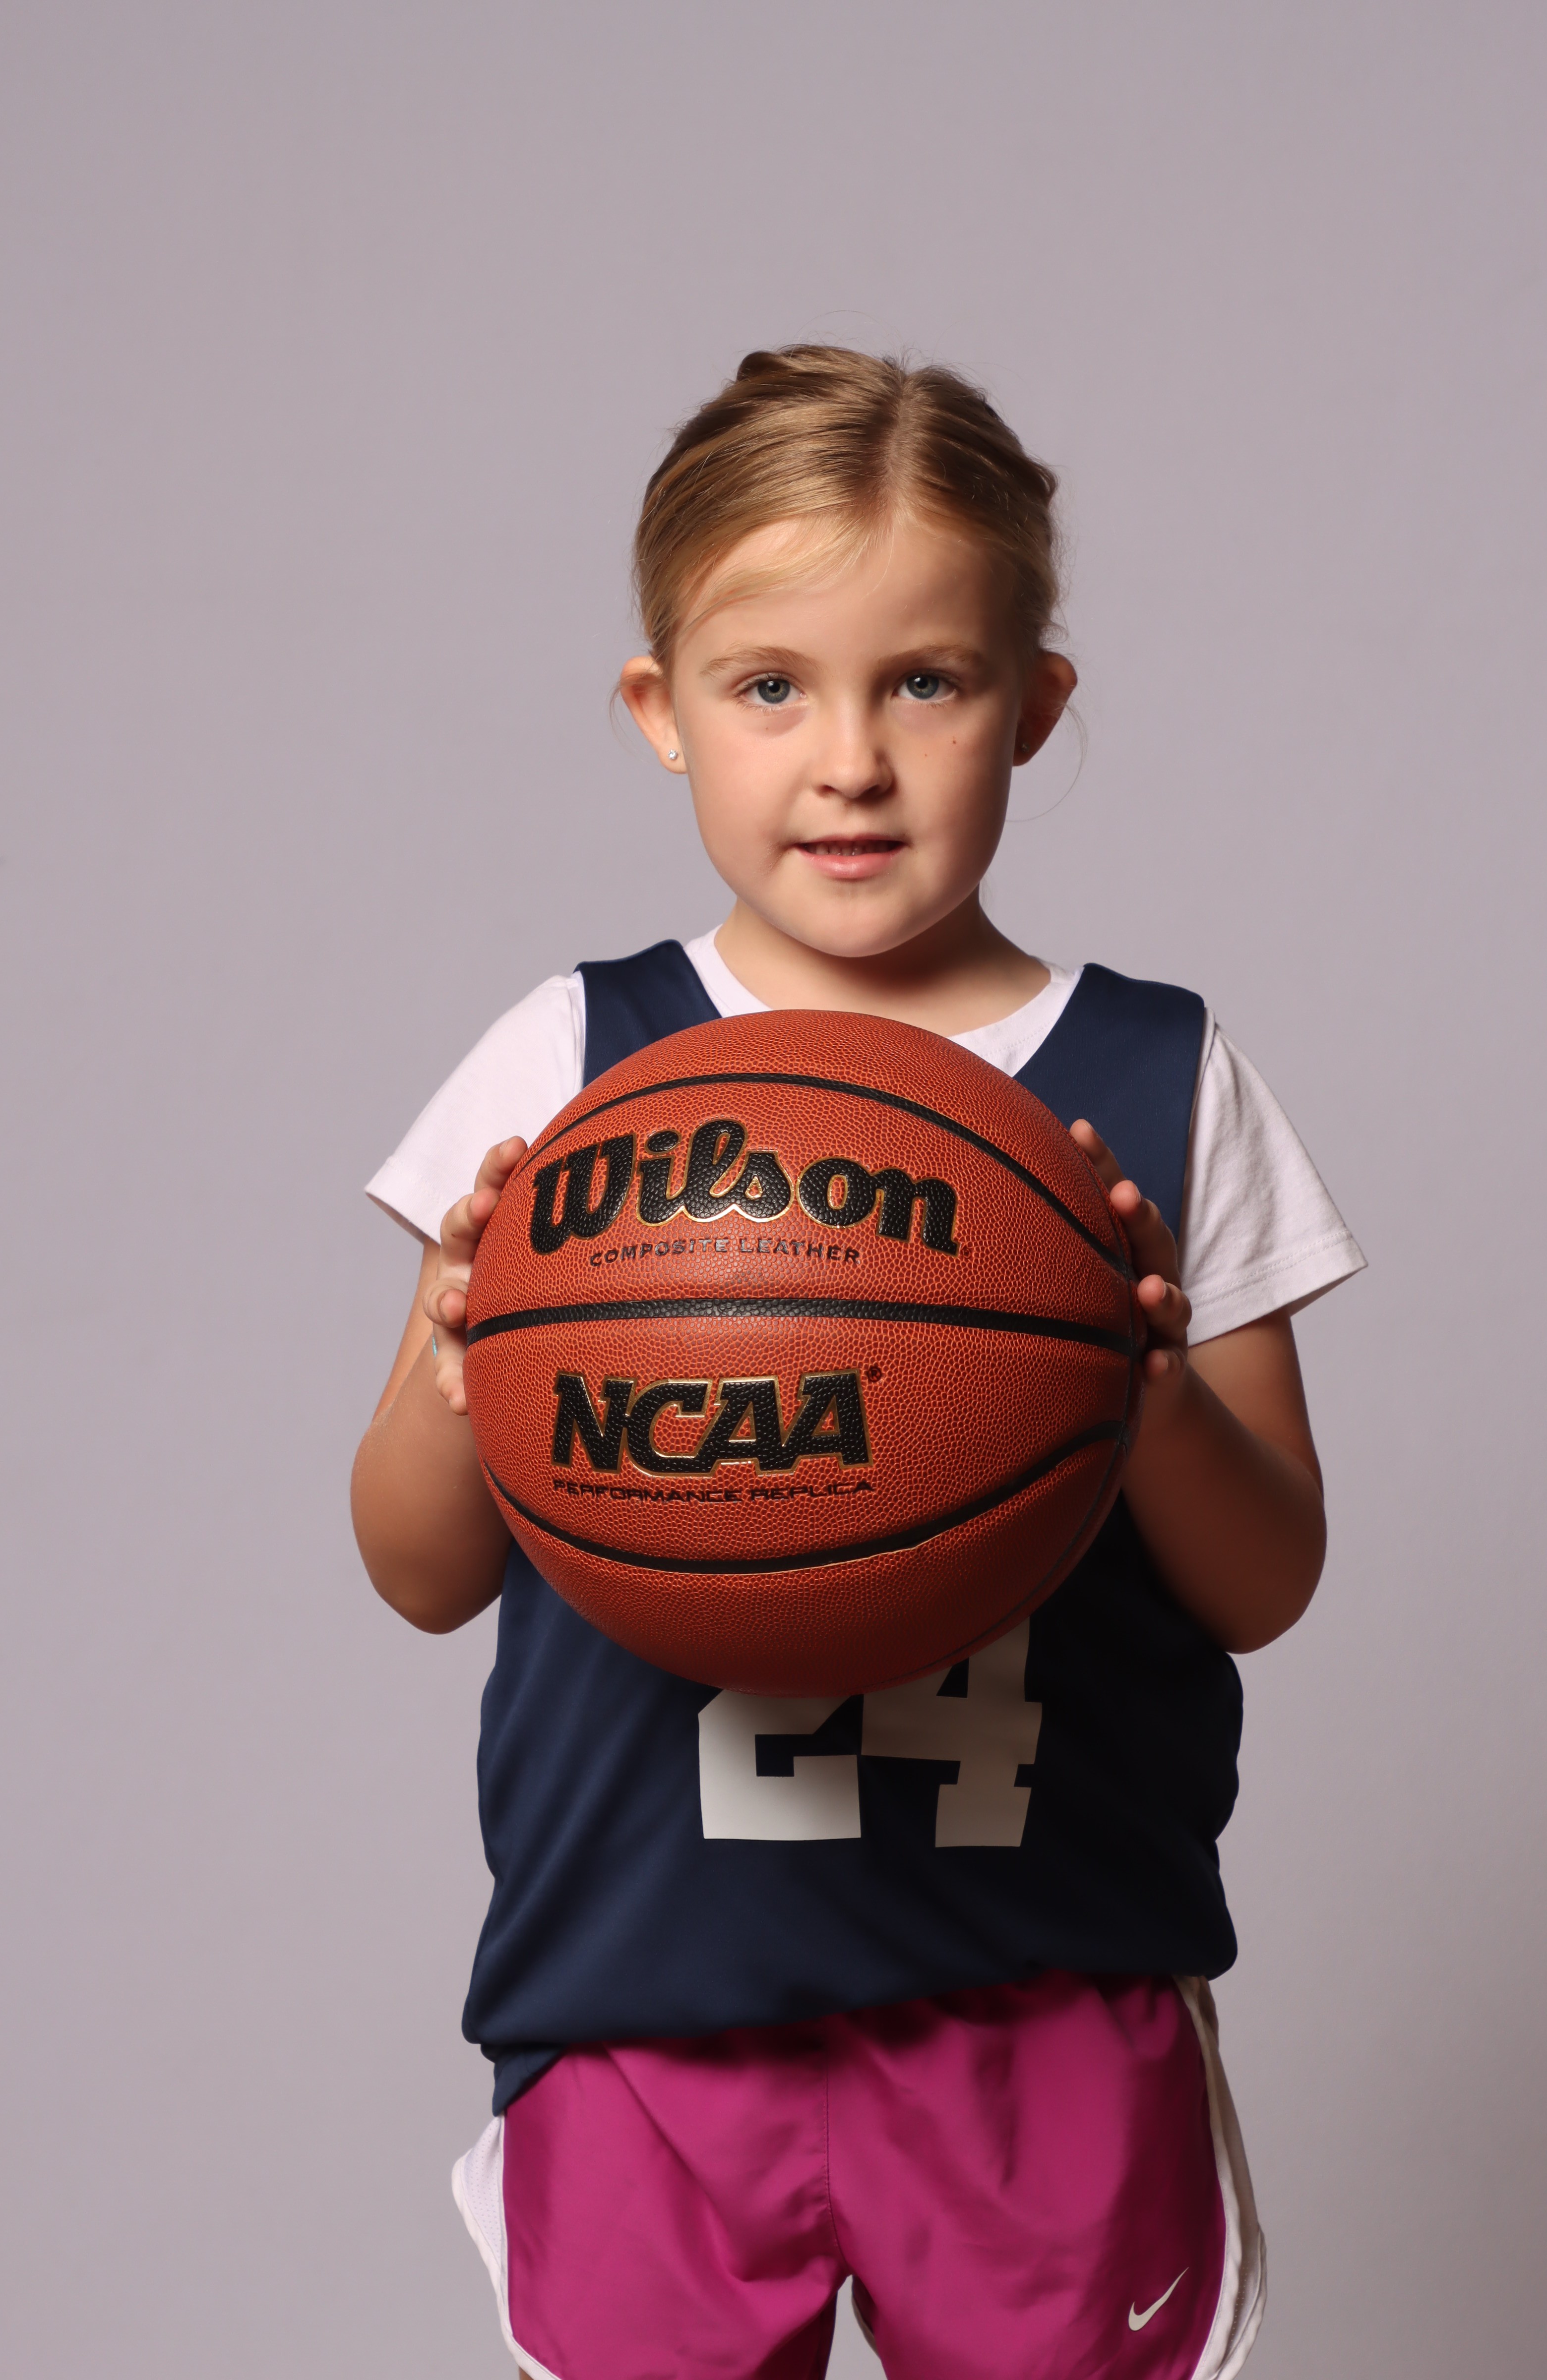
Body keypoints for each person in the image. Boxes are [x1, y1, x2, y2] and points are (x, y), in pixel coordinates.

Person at [351, 347, 1363, 2380]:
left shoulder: (1158, 1075)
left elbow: (1267, 1581)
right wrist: (467, 1355)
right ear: (660, 711)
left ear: (1034, 706)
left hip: (1041, 1998)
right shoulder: (572, 1062)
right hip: (647, 1998)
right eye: (768, 687)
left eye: (925, 682)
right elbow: (417, 1568)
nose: (850, 764)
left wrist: (1142, 1383)